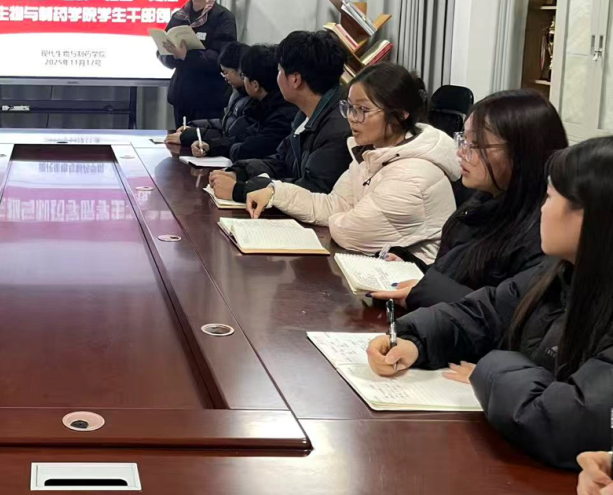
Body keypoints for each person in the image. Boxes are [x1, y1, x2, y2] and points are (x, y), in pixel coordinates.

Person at [367, 137, 613, 470]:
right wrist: (414, 340)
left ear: (592, 217)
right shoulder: (560, 271)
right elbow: (486, 312)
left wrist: (489, 370)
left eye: (550, 197)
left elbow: (567, 422)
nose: (542, 209)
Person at [243, 63, 458, 263]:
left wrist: (345, 215)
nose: (352, 118)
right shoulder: (373, 152)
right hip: (374, 269)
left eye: (363, 110)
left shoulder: (415, 176)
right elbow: (333, 204)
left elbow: (350, 233)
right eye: (350, 107)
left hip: (407, 285)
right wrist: (275, 192)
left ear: (400, 115)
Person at [371, 90, 568, 308]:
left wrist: (422, 289)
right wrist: (410, 267)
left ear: (522, 152)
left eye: (476, 144)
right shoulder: (482, 202)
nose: (461, 152)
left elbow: (503, 314)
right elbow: (455, 278)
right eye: (463, 139)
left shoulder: (544, 233)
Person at [208, 30, 351, 203]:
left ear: (295, 79)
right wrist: (240, 172)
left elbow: (313, 190)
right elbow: (281, 161)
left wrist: (242, 190)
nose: (276, 78)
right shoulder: (304, 115)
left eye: (279, 70)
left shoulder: (339, 127)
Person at [157, 0, 238, 128]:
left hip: (209, 97)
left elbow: (223, 58)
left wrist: (187, 56)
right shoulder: (180, 16)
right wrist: (170, 54)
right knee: (179, 140)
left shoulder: (223, 17)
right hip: (181, 95)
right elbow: (162, 53)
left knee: (204, 141)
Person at [167, 41, 249, 153]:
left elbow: (231, 136)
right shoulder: (237, 94)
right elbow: (224, 124)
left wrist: (191, 135)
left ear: (241, 71)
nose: (225, 78)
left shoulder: (252, 101)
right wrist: (193, 126)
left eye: (225, 72)